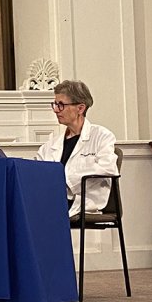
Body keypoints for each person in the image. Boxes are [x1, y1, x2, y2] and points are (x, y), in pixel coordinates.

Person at [37, 80, 118, 218]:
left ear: (80, 108)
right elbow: (38, 171)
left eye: (61, 105)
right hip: (53, 199)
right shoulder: (50, 145)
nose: (56, 110)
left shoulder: (102, 136)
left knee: (36, 214)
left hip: (82, 200)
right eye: (55, 104)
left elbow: (108, 168)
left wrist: (66, 180)